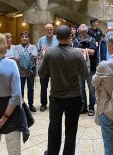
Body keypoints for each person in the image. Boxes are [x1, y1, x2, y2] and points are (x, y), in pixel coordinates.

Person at [38, 25, 88, 155]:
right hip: (74, 97)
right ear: (70, 37)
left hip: (56, 97)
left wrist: (43, 57)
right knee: (71, 129)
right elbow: (85, 75)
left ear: (57, 37)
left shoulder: (50, 52)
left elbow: (41, 72)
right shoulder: (77, 53)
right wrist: (85, 59)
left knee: (54, 127)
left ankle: (52, 152)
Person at [73, 24, 97, 115]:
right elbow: (73, 51)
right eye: (81, 26)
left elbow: (92, 52)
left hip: (90, 68)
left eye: (84, 26)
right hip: (78, 68)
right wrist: (86, 50)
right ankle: (83, 107)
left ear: (87, 29)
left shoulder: (92, 39)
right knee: (81, 88)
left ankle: (91, 108)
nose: (82, 27)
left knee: (91, 89)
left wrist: (80, 50)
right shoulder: (75, 40)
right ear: (78, 30)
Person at [37, 23, 59, 112]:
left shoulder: (57, 39)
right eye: (47, 29)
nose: (49, 31)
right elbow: (38, 53)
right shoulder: (41, 40)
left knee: (55, 86)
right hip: (44, 66)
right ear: (45, 30)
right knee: (43, 86)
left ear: (53, 30)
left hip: (55, 66)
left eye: (51, 29)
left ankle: (54, 102)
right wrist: (41, 51)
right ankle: (43, 104)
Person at [15, 32, 38, 112]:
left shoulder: (33, 46)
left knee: (30, 89)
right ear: (21, 38)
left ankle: (31, 105)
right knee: (20, 89)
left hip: (30, 72)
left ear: (29, 38)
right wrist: (29, 55)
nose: (24, 38)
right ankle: (21, 106)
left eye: (26, 37)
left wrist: (22, 56)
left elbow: (34, 56)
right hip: (20, 72)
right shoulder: (16, 47)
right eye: (23, 37)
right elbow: (16, 58)